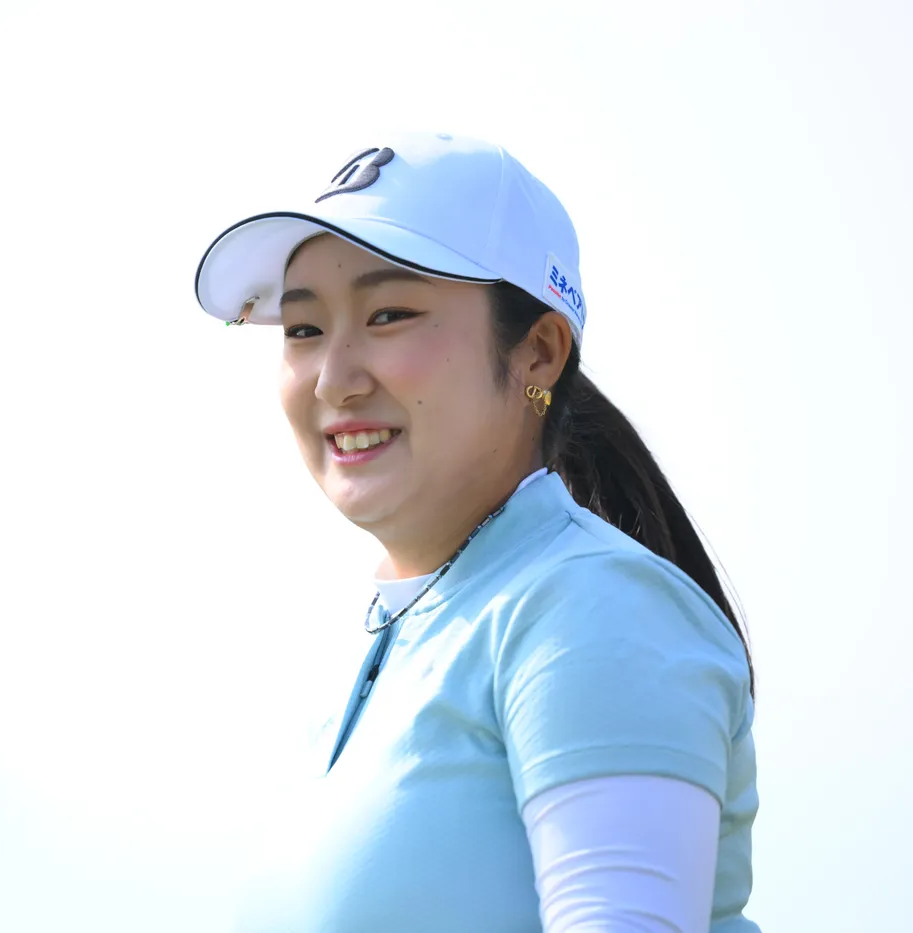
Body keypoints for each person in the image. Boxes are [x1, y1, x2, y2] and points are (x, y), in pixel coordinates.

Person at [193, 133, 759, 933]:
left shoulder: (592, 606)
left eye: (390, 315)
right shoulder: (384, 639)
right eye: (304, 328)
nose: (333, 379)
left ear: (539, 352)